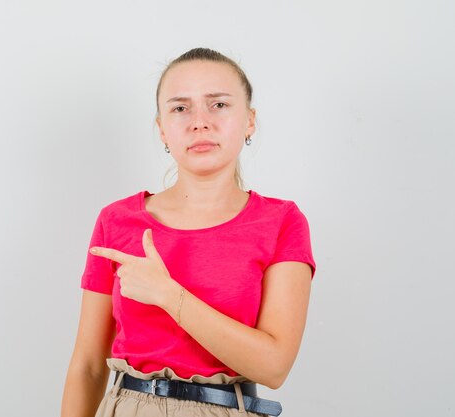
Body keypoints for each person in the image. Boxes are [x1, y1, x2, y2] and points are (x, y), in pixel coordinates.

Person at [61, 47, 316, 417]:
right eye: (180, 108)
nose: (200, 122)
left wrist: (169, 296)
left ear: (249, 121)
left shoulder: (282, 221)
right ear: (162, 128)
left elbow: (274, 366)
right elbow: (87, 365)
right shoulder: (116, 220)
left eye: (219, 105)